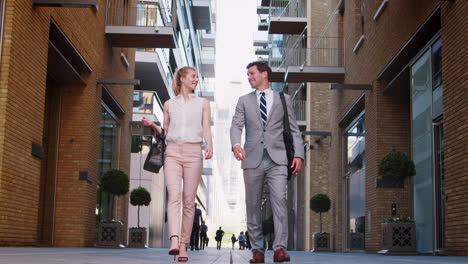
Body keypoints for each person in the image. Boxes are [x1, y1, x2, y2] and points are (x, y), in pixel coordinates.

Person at [230, 61, 304, 263]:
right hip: (252, 159)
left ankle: (280, 248)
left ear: (264, 74)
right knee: (252, 205)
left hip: (278, 159)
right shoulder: (244, 101)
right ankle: (257, 250)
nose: (249, 77)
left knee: (279, 201)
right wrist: (236, 144)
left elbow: (294, 129)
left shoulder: (283, 99)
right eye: (247, 74)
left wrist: (298, 155)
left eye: (252, 73)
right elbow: (236, 125)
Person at [142, 66, 213, 262]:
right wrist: (153, 126)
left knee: (189, 201)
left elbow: (206, 127)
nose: (196, 80)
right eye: (193, 76)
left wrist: (210, 145)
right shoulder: (168, 104)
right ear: (182, 79)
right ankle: (174, 240)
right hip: (172, 152)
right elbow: (165, 133)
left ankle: (184, 245)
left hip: (193, 153)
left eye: (197, 77)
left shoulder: (203, 103)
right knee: (174, 196)